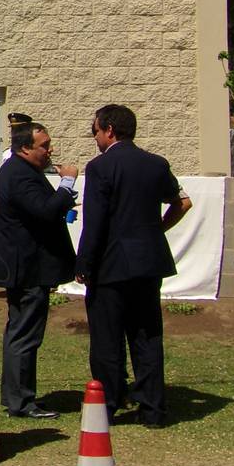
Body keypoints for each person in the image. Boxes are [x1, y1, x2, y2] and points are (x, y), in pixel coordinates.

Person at [75, 104, 191, 427]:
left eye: (95, 131)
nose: (95, 137)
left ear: (109, 130)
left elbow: (95, 222)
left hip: (111, 265)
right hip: (148, 263)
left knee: (107, 339)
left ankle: (109, 405)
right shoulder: (156, 164)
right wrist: (158, 229)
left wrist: (83, 262)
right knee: (147, 337)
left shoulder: (100, 167)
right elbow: (183, 202)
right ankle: (153, 409)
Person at [0, 120, 78, 419]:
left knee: (19, 331)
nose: (50, 150)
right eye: (44, 145)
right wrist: (67, 183)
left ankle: (15, 395)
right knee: (25, 333)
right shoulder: (20, 175)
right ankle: (21, 401)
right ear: (25, 147)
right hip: (28, 268)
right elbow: (45, 211)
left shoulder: (21, 172)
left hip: (25, 266)